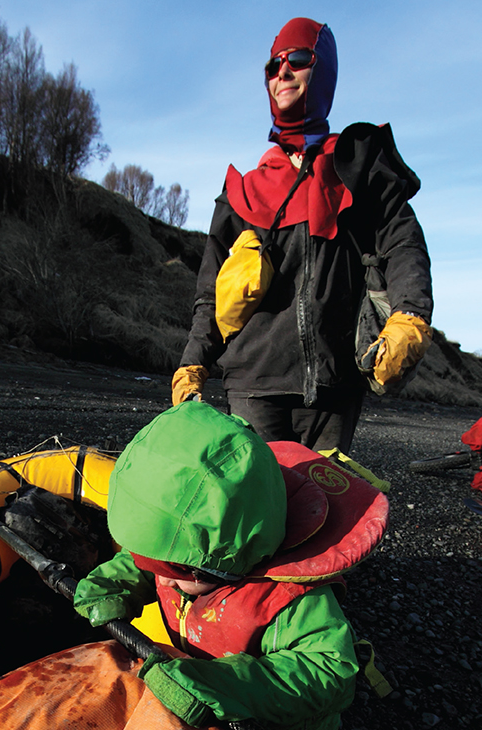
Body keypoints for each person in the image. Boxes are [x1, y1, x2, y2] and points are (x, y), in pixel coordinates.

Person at [172, 17, 433, 453]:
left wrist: (409, 316)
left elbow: (404, 245)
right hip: (254, 387)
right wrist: (192, 365)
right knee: (260, 516)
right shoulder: (241, 194)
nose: (283, 73)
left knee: (327, 515)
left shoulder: (359, 170)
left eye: (297, 60)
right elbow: (210, 297)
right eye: (273, 67)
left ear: (324, 70)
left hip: (337, 389)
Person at [73, 402, 372, 730]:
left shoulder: (292, 599)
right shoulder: (186, 559)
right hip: (206, 689)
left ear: (219, 562)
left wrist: (223, 685)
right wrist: (113, 584)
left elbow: (331, 669)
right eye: (154, 566)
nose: (161, 581)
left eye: (173, 572)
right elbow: (151, 563)